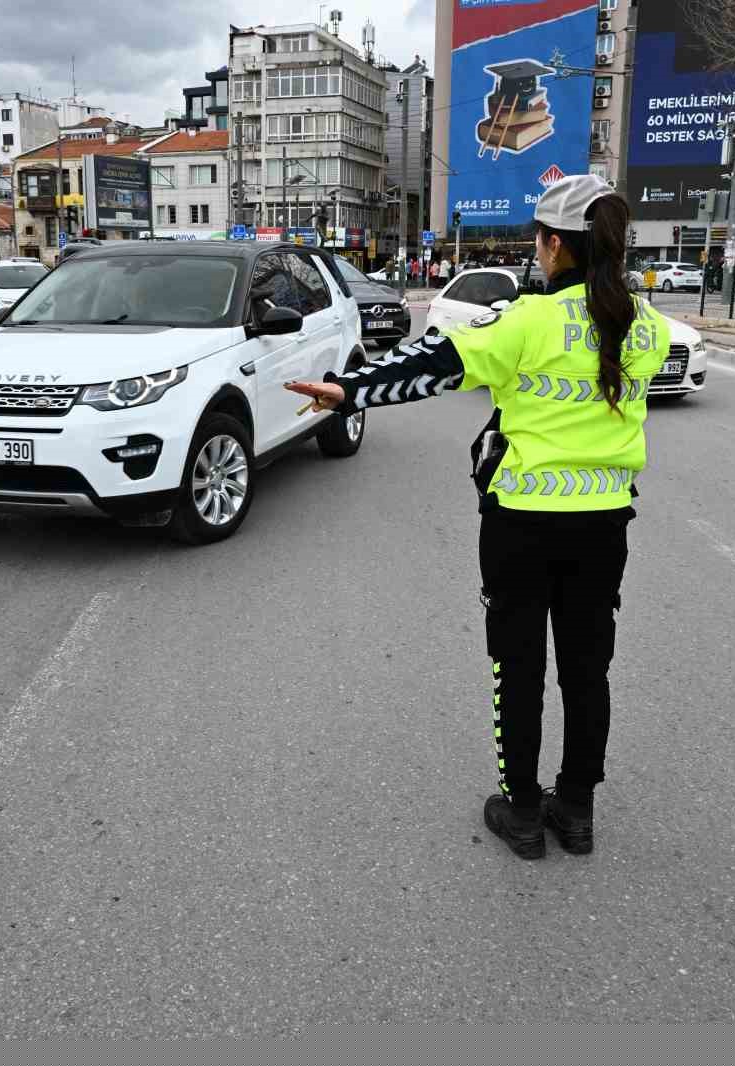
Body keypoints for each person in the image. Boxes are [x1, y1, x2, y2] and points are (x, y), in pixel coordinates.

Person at [284, 176, 669, 860]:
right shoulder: (648, 326)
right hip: (605, 523)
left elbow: (434, 362)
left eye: (539, 241)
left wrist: (349, 391)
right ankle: (576, 809)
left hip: (522, 523)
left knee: (516, 666)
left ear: (553, 245)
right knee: (588, 667)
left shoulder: (527, 320)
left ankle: (523, 811)